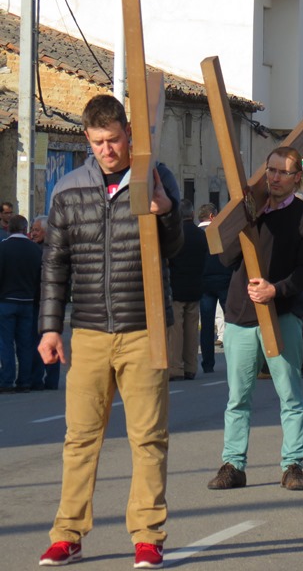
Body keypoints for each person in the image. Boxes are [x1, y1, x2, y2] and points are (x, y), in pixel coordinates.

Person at [37, 94, 183, 569]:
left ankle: (148, 536)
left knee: (148, 438)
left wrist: (165, 210)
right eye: (98, 142)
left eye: (114, 139)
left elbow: (175, 248)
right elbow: (54, 265)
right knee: (79, 438)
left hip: (144, 330)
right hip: (89, 333)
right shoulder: (67, 190)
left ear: (129, 134)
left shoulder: (155, 178)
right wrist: (49, 329)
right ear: (87, 139)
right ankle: (68, 533)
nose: (107, 149)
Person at [206, 146, 303, 492]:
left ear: (297, 178)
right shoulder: (249, 211)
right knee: (238, 396)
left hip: (283, 313)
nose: (274, 177)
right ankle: (233, 464)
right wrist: (239, 221)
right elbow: (225, 259)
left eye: (283, 172)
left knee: (289, 395)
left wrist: (277, 289)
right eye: (270, 170)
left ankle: (292, 465)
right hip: (242, 313)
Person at [167, 199, 209, 380]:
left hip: (176, 288)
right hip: (196, 286)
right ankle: (191, 366)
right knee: (192, 330)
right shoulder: (201, 235)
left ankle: (176, 367)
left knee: (176, 331)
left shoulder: (175, 234)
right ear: (192, 214)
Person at [0, 215, 41, 393]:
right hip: (28, 302)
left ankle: (7, 380)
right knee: (25, 343)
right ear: (26, 229)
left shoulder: (3, 248)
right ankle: (25, 381)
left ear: (8, 228)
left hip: (6, 301)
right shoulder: (35, 250)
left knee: (5, 343)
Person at [198, 203, 233, 374]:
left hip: (204, 283)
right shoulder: (221, 232)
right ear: (212, 216)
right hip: (224, 280)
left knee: (206, 324)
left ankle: (207, 363)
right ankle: (234, 359)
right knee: (232, 322)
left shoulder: (197, 235)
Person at [30, 215, 60, 390]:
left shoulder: (47, 251)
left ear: (47, 232)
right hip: (41, 301)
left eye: (36, 230)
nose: (33, 234)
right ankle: (47, 379)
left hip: (44, 302)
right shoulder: (37, 248)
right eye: (32, 230)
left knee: (42, 340)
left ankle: (43, 378)